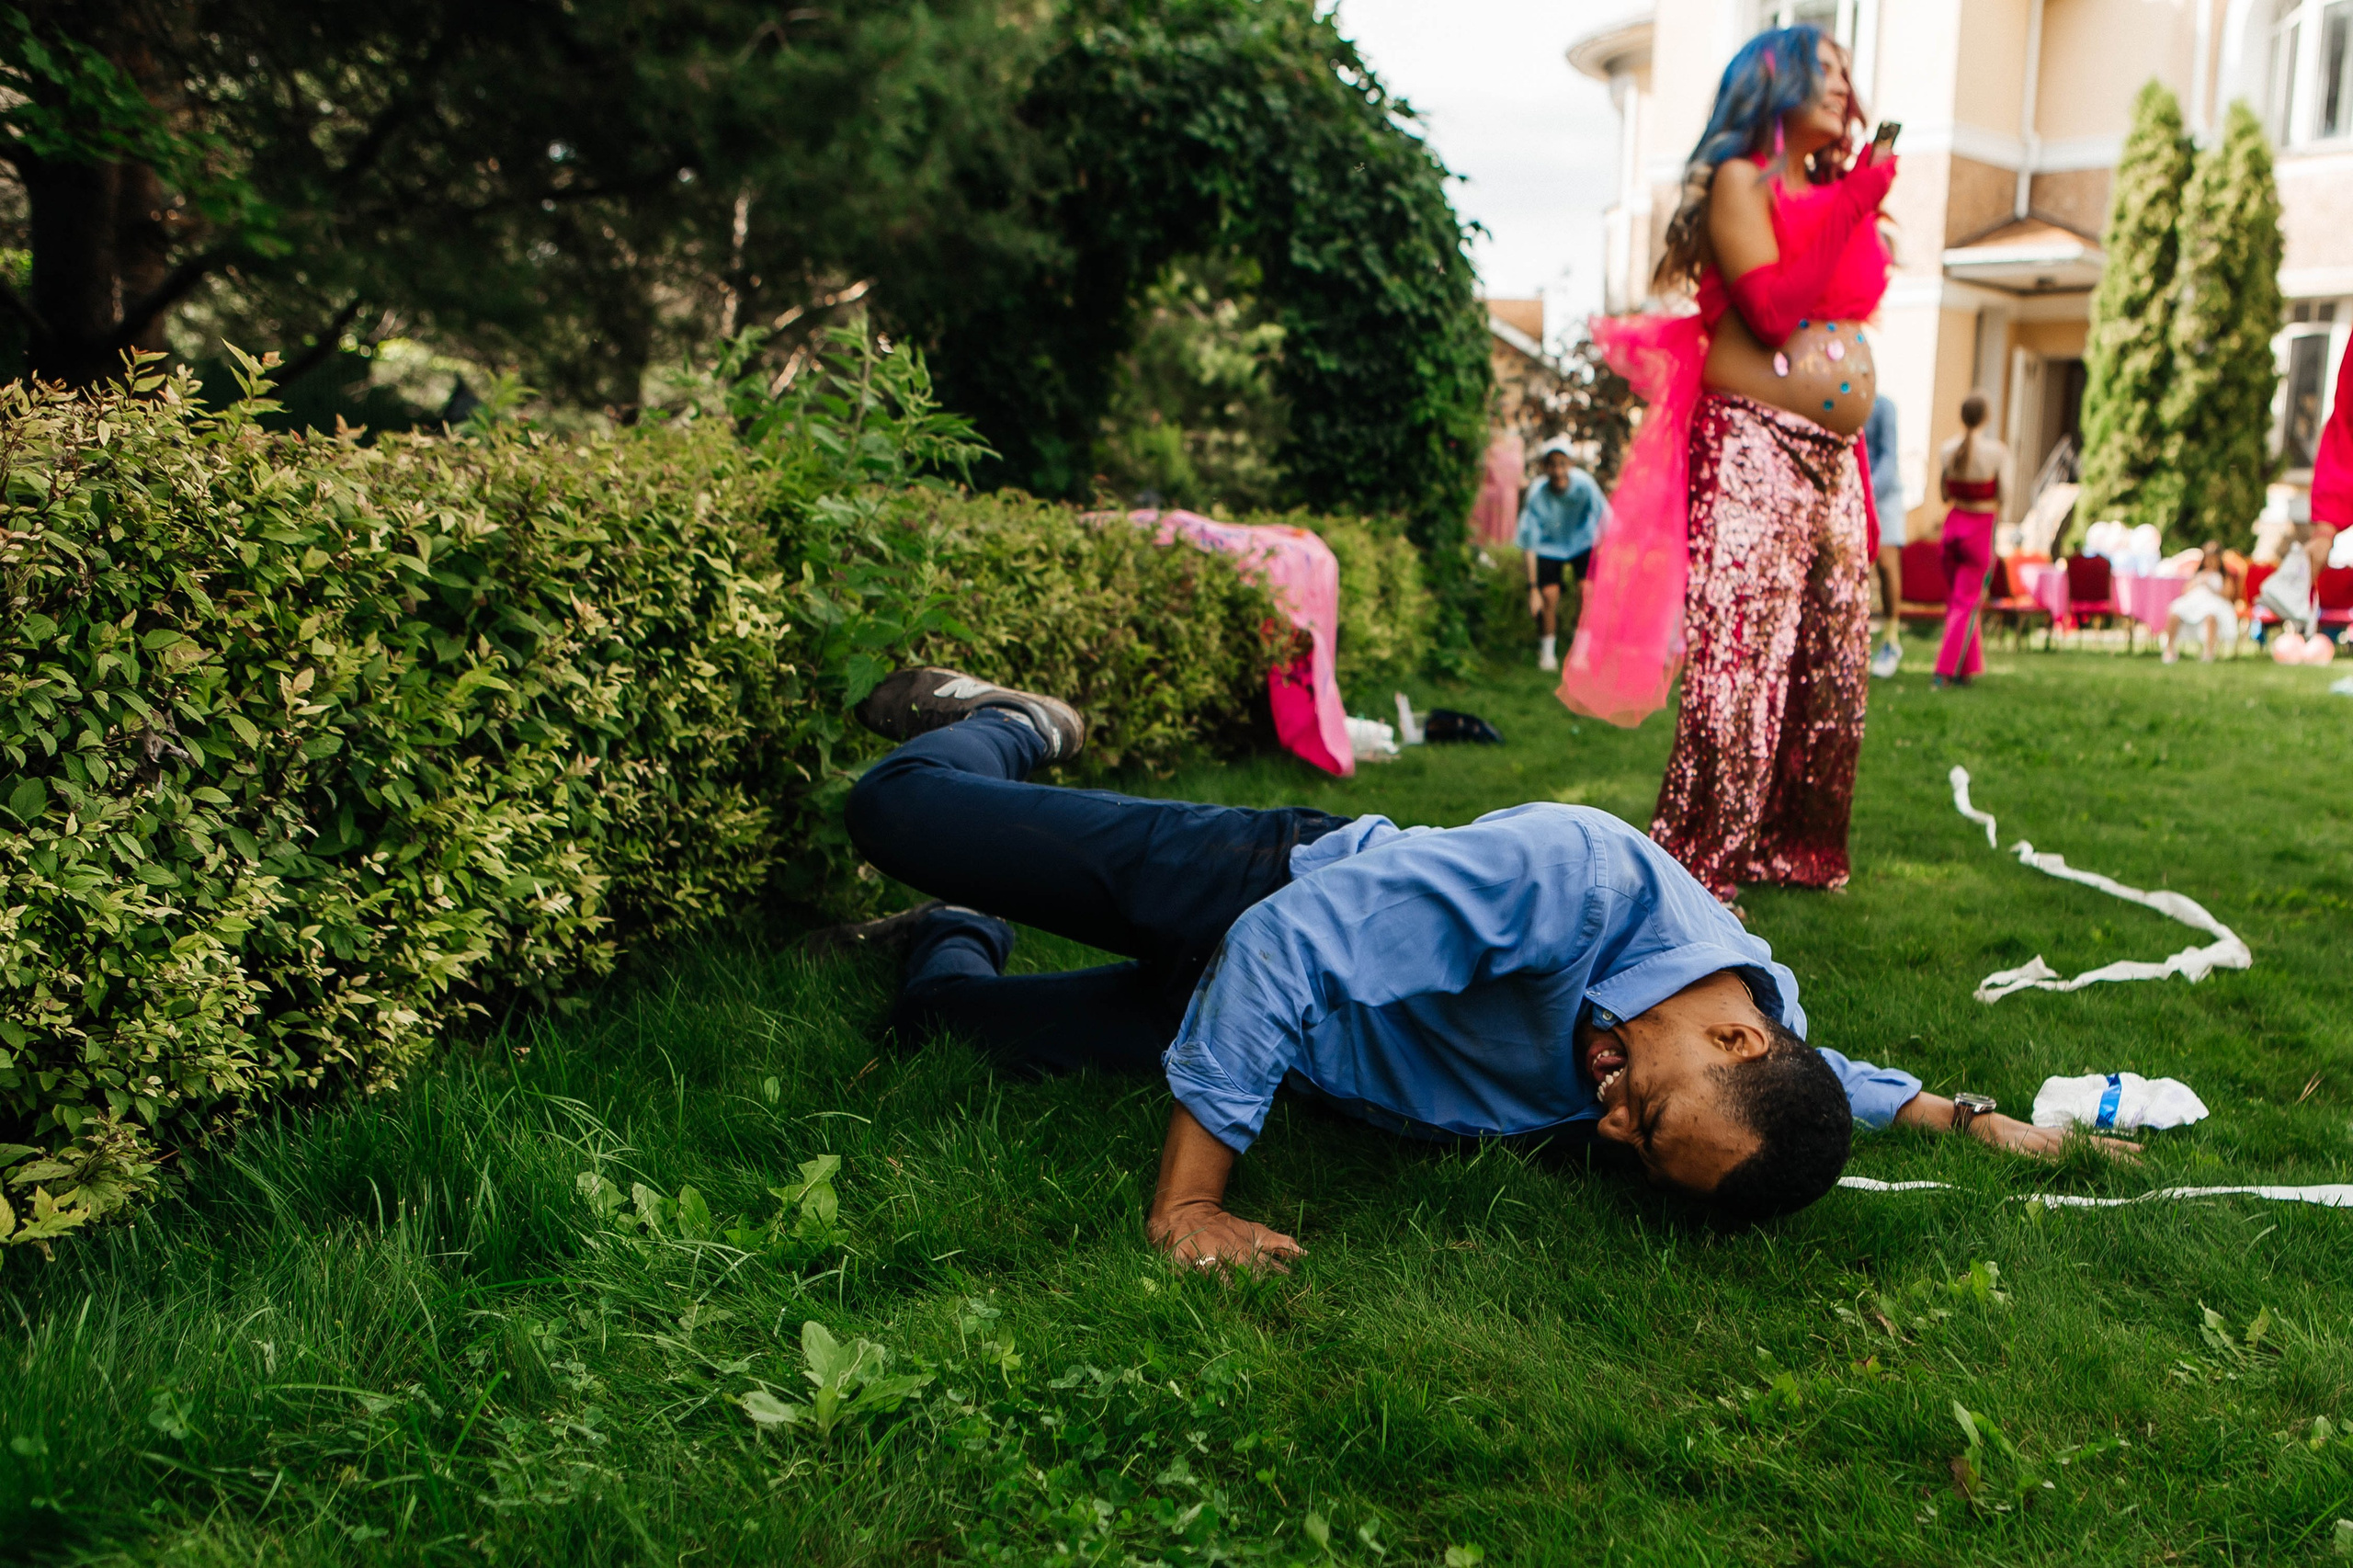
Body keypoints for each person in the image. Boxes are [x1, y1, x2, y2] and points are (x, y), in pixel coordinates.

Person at [833, 667, 2132, 1268]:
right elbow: (1288, 948)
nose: (1609, 1122)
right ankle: (1001, 725)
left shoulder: (1746, 1040)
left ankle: (957, 926)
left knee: (946, 1026)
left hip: (1290, 1039)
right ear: (1728, 1042)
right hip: (1273, 894)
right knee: (892, 810)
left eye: (1627, 1145)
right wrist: (1189, 1206)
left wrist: (1968, 1119)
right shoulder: (1575, 875)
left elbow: (1820, 1086)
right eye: (1647, 1112)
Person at [1561, 26, 1895, 905]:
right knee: (1741, 652)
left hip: (1834, 450)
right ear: (1774, 83)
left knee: (1834, 656)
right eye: (1822, 70)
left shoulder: (1831, 188)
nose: (1840, 85)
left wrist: (1853, 195)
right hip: (1750, 435)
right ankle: (1703, 853)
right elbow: (1775, 306)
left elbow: (1848, 296)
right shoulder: (1741, 184)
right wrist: (1856, 200)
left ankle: (1797, 848)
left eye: (1846, 72)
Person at [1931, 392, 2007, 688]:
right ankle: (1944, 671)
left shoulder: (1946, 450)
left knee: (1959, 602)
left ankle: (1967, 669)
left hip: (1952, 529)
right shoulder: (1996, 453)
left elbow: (1943, 494)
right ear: (1986, 417)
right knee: (1966, 602)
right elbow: (2004, 495)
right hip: (1980, 530)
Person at [1517, 438, 1610, 671]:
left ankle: (1580, 652)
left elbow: (1607, 520)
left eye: (1562, 464)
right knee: (1549, 596)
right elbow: (1529, 543)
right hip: (1549, 547)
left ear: (1570, 464)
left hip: (1582, 542)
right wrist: (1532, 588)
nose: (1557, 471)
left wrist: (1605, 555)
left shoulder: (1585, 485)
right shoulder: (1537, 493)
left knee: (1586, 591)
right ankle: (1547, 654)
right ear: (1545, 467)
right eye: (1552, 465)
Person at [1864, 394, 1907, 677]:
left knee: (1887, 566)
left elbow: (1888, 460)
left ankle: (1891, 640)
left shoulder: (1883, 407)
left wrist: (1868, 493)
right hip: (1854, 492)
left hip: (1883, 495)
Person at [2162, 543, 2236, 665]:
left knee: (2211, 614)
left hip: (2214, 602)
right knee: (2175, 610)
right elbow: (2185, 591)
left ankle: (2209, 652)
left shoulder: (2224, 576)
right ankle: (2169, 649)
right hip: (2194, 602)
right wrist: (2199, 581)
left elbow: (2228, 594)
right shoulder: (2198, 574)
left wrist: (2211, 586)